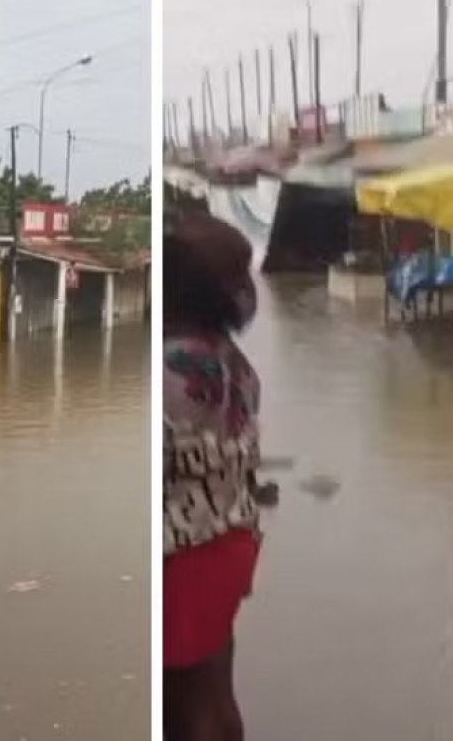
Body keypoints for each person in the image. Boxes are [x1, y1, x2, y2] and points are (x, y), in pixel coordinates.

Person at [164, 212, 267, 741]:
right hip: (231, 543)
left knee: (184, 709)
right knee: (214, 689)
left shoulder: (170, 370)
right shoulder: (236, 363)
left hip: (185, 555)